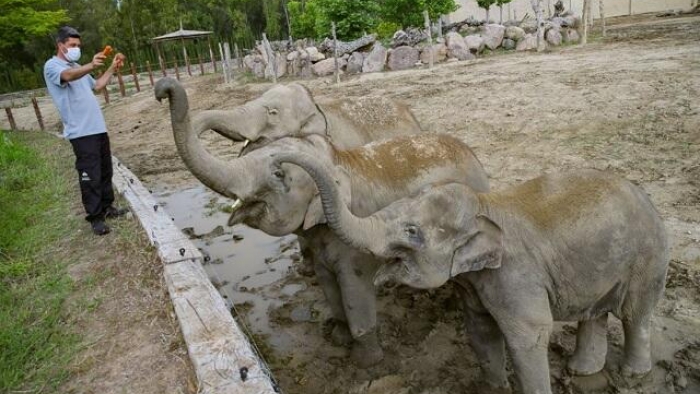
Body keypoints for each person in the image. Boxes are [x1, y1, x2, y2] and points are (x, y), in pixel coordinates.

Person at [44, 26, 128, 235]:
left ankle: (107, 208)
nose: (75, 49)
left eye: (78, 46)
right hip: (80, 131)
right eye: (72, 45)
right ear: (60, 45)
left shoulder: (78, 65)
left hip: (97, 127)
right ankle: (95, 217)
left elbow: (97, 86)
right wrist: (91, 64)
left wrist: (111, 68)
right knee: (89, 174)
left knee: (105, 171)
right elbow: (68, 76)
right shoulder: (52, 66)